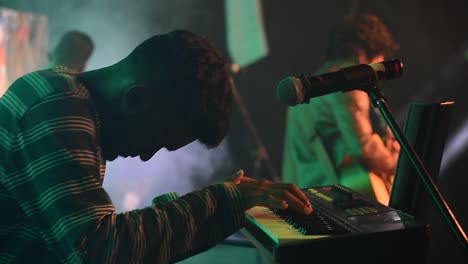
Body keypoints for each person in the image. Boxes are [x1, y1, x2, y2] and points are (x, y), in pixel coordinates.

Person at [0, 29, 312, 263]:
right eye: (156, 140)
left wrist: (216, 207)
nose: (147, 154)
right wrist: (221, 201)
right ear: (135, 98)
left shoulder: (71, 104)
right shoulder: (57, 107)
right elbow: (99, 250)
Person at [281, 13, 400, 205]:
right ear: (362, 55)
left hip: (304, 193)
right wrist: (397, 163)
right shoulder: (348, 86)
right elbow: (363, 149)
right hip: (332, 199)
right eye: (378, 65)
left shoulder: (315, 84)